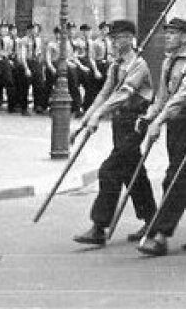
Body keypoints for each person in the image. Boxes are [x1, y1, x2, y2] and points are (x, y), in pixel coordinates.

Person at [72, 19, 158, 247]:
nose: (113, 43)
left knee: (109, 170)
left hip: (135, 122)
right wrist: (86, 119)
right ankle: (152, 220)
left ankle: (99, 227)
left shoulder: (138, 65)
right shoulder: (115, 65)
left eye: (117, 38)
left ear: (129, 39)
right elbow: (103, 93)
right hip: (120, 123)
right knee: (132, 172)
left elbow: (122, 95)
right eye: (112, 38)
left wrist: (99, 115)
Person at [137, 18, 186, 257]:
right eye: (166, 33)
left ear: (184, 37)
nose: (167, 37)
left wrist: (159, 120)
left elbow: (183, 96)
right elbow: (162, 96)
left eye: (172, 33)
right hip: (174, 124)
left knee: (176, 176)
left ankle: (161, 235)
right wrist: (151, 115)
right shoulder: (167, 62)